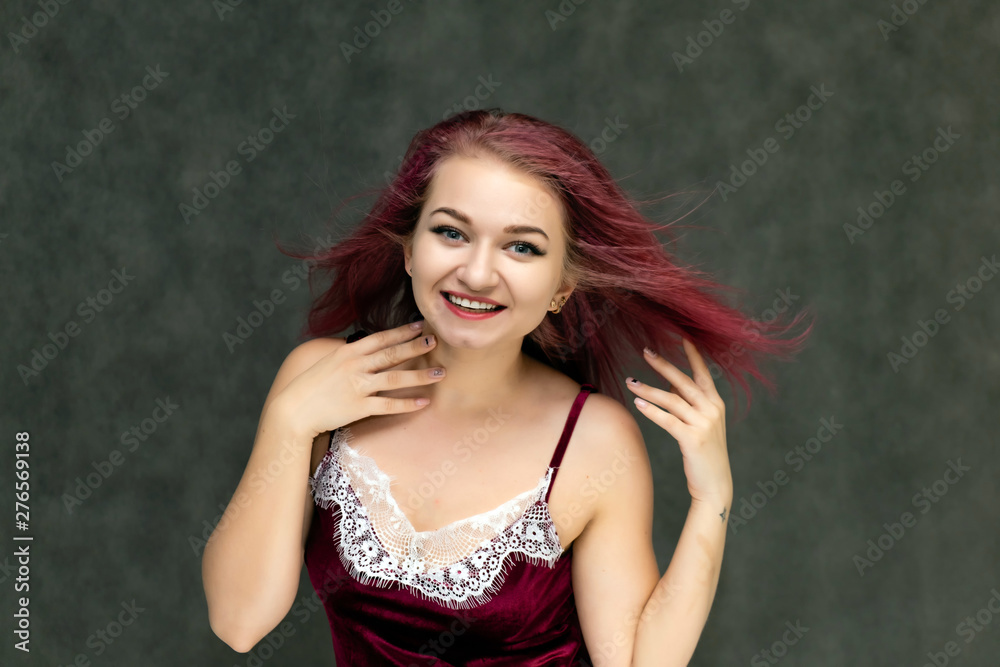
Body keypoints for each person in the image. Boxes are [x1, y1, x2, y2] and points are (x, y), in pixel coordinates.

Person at [201, 109, 814, 666]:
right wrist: (288, 422)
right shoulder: (319, 383)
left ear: (561, 288)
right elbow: (239, 622)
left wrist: (712, 501)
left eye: (522, 246)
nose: (476, 272)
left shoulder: (594, 442)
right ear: (409, 250)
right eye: (451, 232)